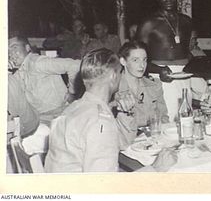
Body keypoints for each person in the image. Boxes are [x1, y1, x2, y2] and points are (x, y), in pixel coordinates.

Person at [45, 48, 177, 172]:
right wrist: (155, 168)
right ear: (114, 77)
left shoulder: (75, 108)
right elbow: (105, 187)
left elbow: (121, 144)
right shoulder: (100, 122)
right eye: (121, 72)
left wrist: (126, 113)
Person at [136, 0, 204, 119]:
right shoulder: (148, 23)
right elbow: (134, 59)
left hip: (184, 78)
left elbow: (186, 53)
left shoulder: (186, 22)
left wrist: (199, 64)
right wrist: (158, 70)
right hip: (160, 79)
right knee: (166, 123)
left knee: (185, 119)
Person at [8, 35, 81, 125]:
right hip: (39, 119)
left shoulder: (38, 63)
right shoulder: (18, 72)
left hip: (58, 116)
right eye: (8, 51)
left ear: (27, 48)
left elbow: (75, 65)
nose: (10, 54)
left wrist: (72, 92)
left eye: (14, 48)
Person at [116, 41, 169, 127]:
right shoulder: (114, 89)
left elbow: (163, 117)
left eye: (144, 60)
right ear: (123, 61)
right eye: (135, 60)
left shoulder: (154, 86)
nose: (142, 65)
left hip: (152, 136)